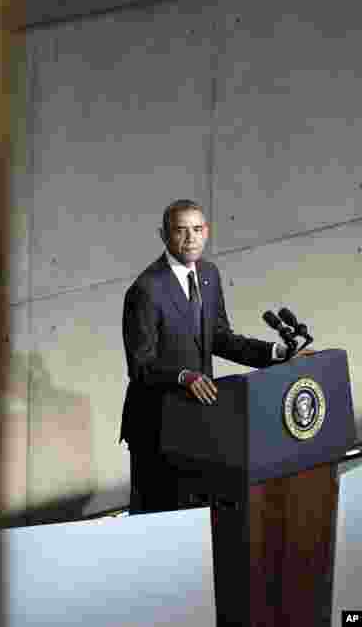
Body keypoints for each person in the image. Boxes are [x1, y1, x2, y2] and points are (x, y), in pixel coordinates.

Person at [119, 200, 290, 514]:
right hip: (156, 425)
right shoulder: (145, 289)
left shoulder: (209, 274)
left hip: (197, 418)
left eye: (197, 229)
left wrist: (277, 353)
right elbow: (140, 365)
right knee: (160, 517)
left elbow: (220, 338)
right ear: (163, 235)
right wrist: (184, 377)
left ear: (207, 232)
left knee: (197, 515)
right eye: (181, 231)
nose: (190, 238)